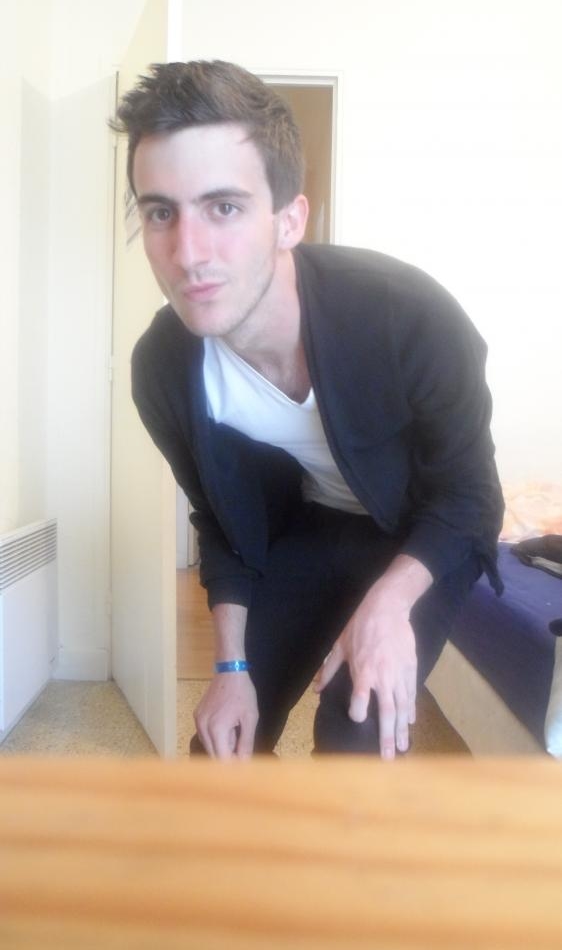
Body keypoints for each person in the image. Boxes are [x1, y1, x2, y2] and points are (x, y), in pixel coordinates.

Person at [112, 60, 504, 760]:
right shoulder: (163, 370)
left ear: (290, 219)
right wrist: (230, 668)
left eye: (224, 208)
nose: (188, 254)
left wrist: (388, 606)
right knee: (221, 750)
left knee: (354, 732)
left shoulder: (406, 315)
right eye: (160, 212)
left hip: (424, 533)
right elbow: (221, 523)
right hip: (317, 529)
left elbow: (472, 499)